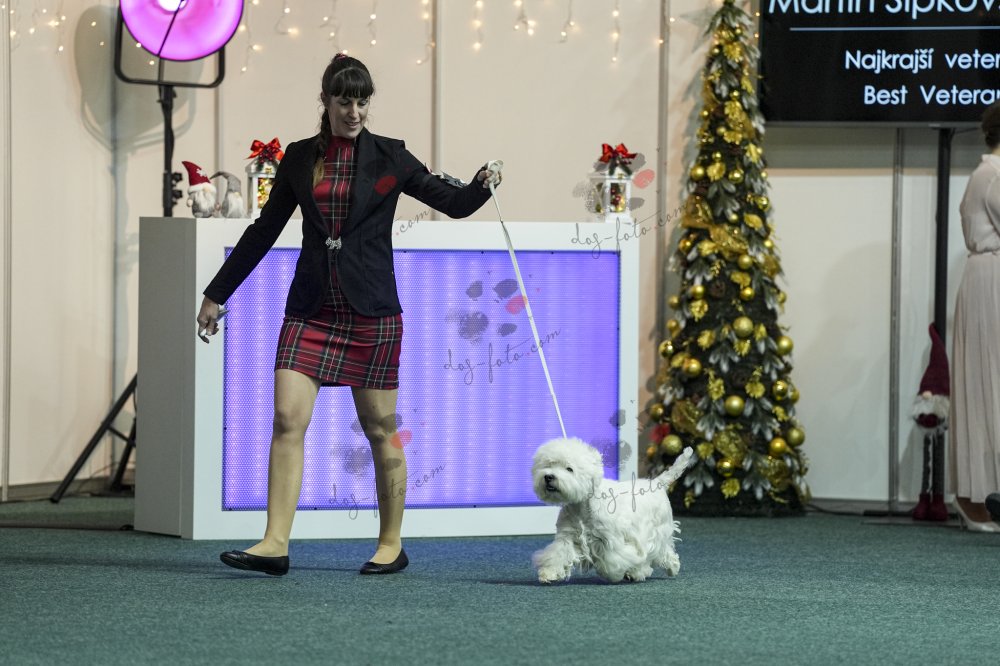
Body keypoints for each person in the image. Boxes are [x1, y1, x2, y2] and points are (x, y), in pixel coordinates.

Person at [196, 54, 502, 575]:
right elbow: (263, 231)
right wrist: (217, 293)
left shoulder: (391, 156)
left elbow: (452, 204)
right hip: (311, 309)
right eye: (344, 101)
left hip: (372, 312)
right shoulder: (298, 158)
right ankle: (274, 543)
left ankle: (391, 544)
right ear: (326, 101)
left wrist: (481, 185)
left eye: (362, 102)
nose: (354, 111)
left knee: (380, 428)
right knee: (286, 420)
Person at [949, 101, 1000, 534]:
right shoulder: (994, 174)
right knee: (988, 384)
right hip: (992, 281)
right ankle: (981, 497)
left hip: (989, 278)